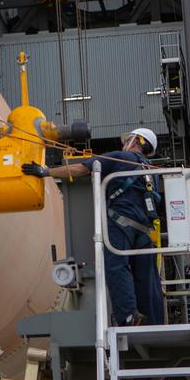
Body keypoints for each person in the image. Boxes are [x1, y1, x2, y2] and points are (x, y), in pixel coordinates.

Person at [49, 128, 165, 327]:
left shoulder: (121, 157)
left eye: (128, 139)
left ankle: (129, 315)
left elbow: (81, 169)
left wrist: (46, 171)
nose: (124, 142)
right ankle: (155, 322)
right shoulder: (151, 171)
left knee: (116, 266)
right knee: (147, 275)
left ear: (137, 141)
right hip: (145, 230)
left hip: (120, 222)